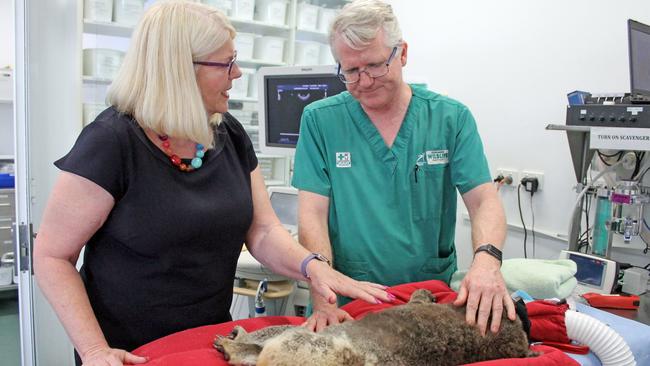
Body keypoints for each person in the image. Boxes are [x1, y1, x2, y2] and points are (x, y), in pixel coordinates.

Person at [32, 2, 391, 365]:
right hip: (129, 352)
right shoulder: (111, 142)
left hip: (208, 342)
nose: (237, 74)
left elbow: (263, 230)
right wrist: (94, 350)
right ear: (179, 70)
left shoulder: (228, 133)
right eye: (226, 63)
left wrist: (312, 267)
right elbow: (51, 255)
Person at [292, 0, 514, 336]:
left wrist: (486, 261)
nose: (364, 81)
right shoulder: (321, 120)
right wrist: (323, 292)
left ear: (403, 54)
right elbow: (312, 214)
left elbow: (484, 200)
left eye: (375, 66)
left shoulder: (449, 118)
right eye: (350, 71)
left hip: (427, 299)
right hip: (347, 301)